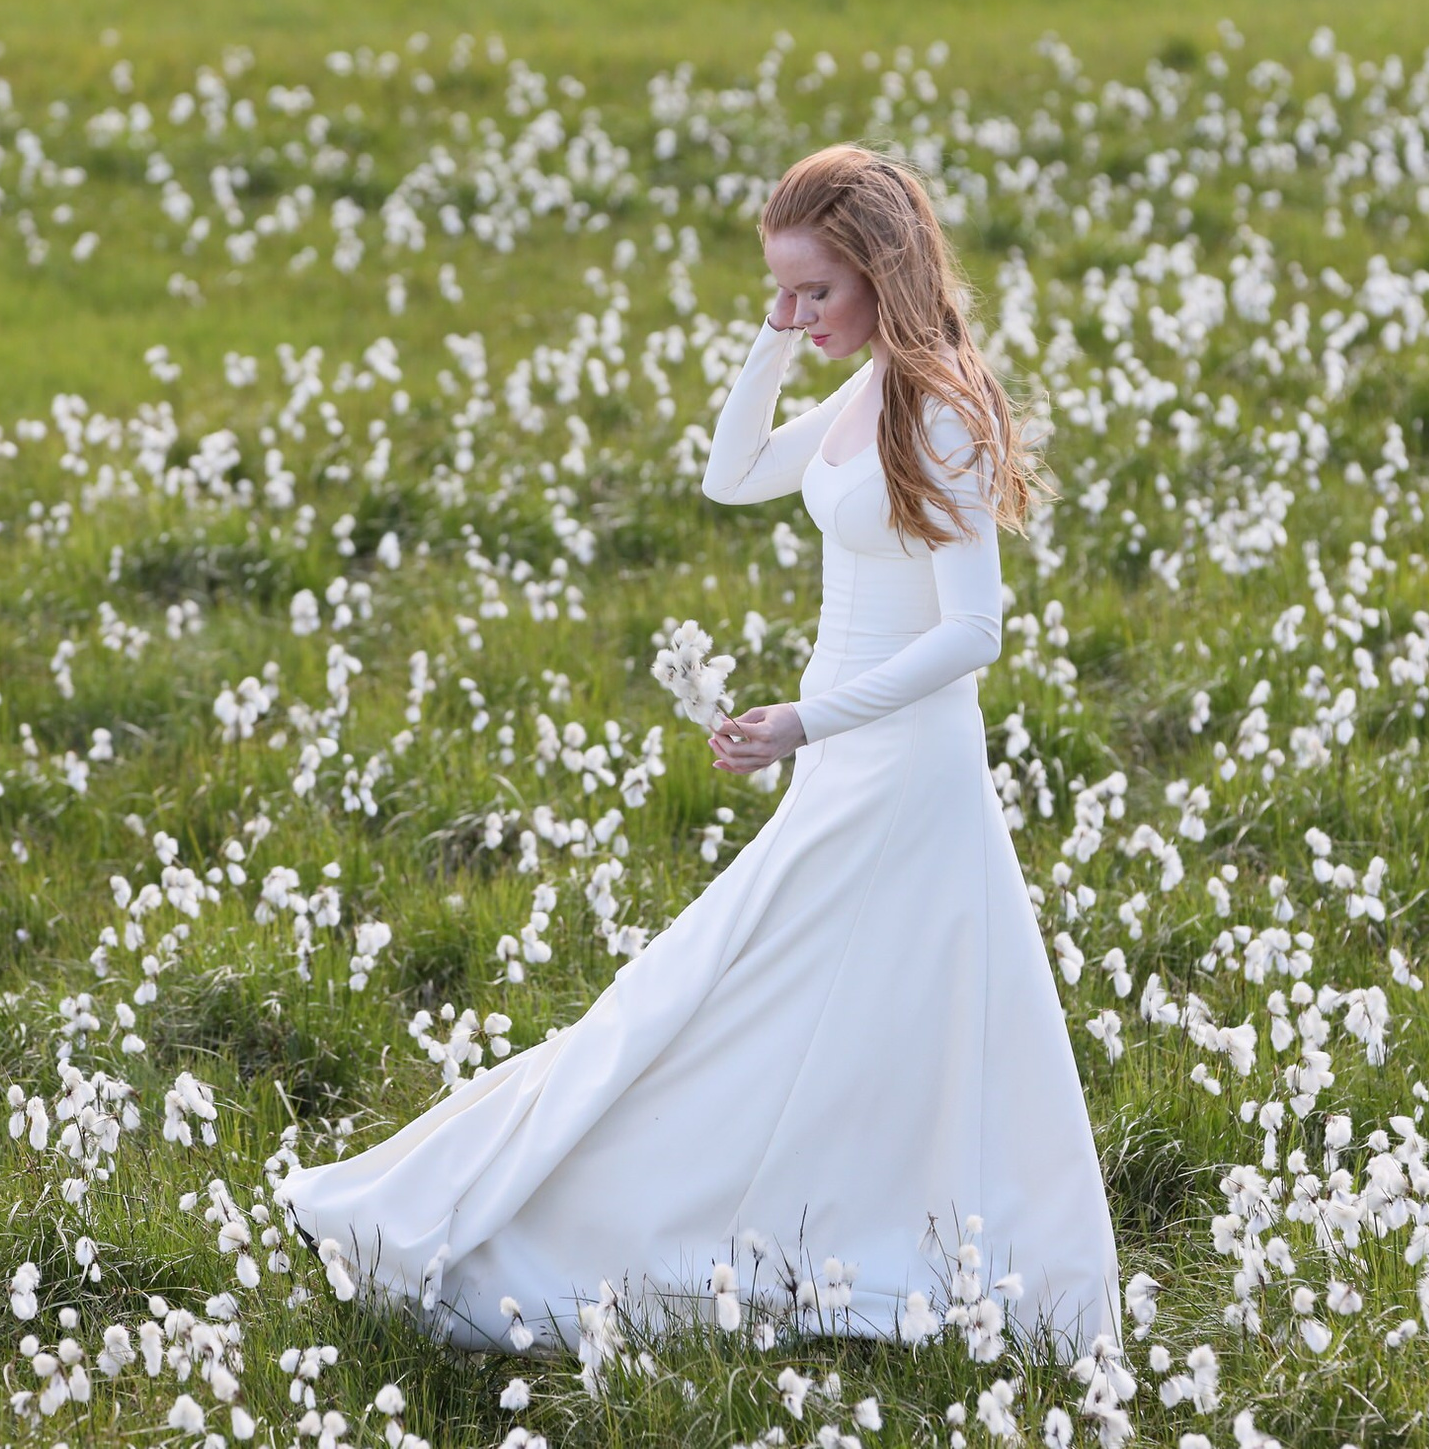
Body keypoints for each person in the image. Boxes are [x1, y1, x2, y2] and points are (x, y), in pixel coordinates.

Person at [277, 142, 1123, 1368]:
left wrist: (801, 722)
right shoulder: (865, 386)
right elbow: (730, 477)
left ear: (881, 273)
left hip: (898, 769)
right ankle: (822, 1230)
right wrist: (777, 337)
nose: (797, 312)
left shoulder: (936, 405)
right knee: (782, 1007)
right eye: (782, 291)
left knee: (734, 1003)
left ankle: (852, 1246)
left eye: (815, 291)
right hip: (847, 761)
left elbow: (974, 632)